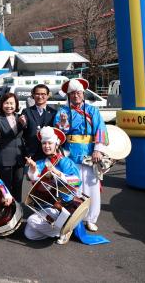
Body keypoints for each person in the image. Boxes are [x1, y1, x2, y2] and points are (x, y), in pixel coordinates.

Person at [54, 78, 107, 232]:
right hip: (71, 154)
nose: (76, 96)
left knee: (92, 186)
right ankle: (74, 217)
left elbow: (101, 130)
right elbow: (59, 136)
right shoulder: (62, 112)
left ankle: (91, 218)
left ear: (83, 94)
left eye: (78, 93)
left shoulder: (93, 111)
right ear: (68, 95)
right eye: (72, 93)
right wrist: (63, 124)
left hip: (91, 154)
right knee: (74, 186)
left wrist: (98, 149)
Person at [23, 126, 81, 245]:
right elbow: (35, 181)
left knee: (31, 220)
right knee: (30, 234)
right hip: (46, 205)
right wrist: (33, 168)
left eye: (50, 143)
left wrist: (58, 173)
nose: (46, 146)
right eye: (44, 143)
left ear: (56, 144)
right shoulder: (39, 162)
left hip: (63, 205)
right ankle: (60, 230)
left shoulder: (65, 162)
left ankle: (63, 228)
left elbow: (77, 181)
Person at [0, 93, 26, 202]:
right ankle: (7, 210)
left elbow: (25, 132)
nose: (9, 106)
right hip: (5, 156)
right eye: (6, 103)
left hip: (19, 156)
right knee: (6, 185)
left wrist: (24, 124)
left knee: (18, 184)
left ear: (16, 104)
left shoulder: (19, 117)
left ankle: (18, 209)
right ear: (2, 104)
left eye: (11, 103)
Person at [21, 84, 57, 161]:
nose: (40, 96)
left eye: (43, 94)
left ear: (48, 96)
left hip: (49, 152)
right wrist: (23, 124)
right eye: (37, 94)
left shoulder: (54, 113)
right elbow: (22, 130)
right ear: (33, 95)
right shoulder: (26, 112)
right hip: (31, 152)